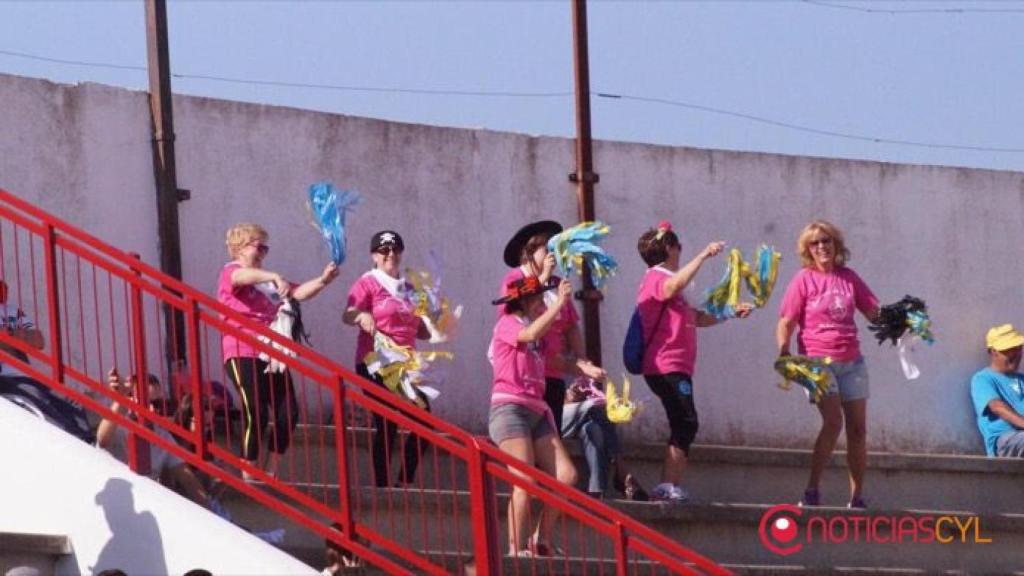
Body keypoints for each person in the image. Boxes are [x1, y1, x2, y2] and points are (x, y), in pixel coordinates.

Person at [634, 221, 751, 502]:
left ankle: (669, 485)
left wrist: (730, 312)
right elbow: (673, 285)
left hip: (678, 365)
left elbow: (696, 318)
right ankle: (666, 486)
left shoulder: (671, 286)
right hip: (665, 364)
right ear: (669, 249)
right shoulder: (655, 278)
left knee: (684, 422)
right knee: (686, 421)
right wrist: (703, 255)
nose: (681, 252)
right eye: (678, 247)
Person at [218, 223, 339, 481]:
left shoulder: (268, 282)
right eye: (257, 246)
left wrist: (323, 280)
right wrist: (273, 275)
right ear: (239, 247)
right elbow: (240, 278)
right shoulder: (232, 271)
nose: (262, 252)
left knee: (288, 412)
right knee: (257, 410)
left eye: (265, 248)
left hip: (271, 354)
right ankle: (248, 469)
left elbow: (299, 293)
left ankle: (271, 470)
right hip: (241, 350)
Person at [776, 220, 879, 509]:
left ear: (835, 244)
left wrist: (901, 322)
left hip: (852, 361)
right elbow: (787, 320)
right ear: (808, 249)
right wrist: (783, 350)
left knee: (858, 430)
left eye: (826, 241)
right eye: (815, 243)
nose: (822, 246)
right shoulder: (803, 279)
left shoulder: (848, 277)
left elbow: (873, 312)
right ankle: (811, 489)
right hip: (816, 361)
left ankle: (857, 496)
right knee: (833, 422)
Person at [490, 275, 578, 557]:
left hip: (536, 408)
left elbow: (552, 359)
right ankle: (515, 549)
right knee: (525, 481)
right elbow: (528, 336)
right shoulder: (508, 323)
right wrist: (559, 304)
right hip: (510, 408)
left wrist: (583, 368)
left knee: (566, 475)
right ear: (526, 302)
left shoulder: (537, 329)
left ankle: (541, 537)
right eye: (539, 300)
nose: (544, 304)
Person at [499, 221, 606, 434]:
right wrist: (543, 277)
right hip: (525, 375)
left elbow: (570, 326)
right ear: (529, 251)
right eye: (547, 250)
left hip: (554, 372)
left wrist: (582, 359)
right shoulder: (515, 278)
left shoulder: (557, 284)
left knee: (551, 433)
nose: (553, 256)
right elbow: (514, 306)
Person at [343, 230, 431, 487]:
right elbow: (347, 313)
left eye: (395, 249)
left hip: (406, 364)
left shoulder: (410, 288)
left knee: (424, 418)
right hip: (376, 361)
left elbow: (422, 331)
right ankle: (382, 484)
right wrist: (361, 316)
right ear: (374, 256)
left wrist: (436, 323)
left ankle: (404, 481)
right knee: (386, 420)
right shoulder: (367, 282)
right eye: (384, 250)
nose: (390, 254)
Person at [96, 369, 213, 509]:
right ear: (130, 399)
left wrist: (211, 510)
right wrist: (120, 400)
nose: (152, 408)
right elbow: (103, 439)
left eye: (156, 403)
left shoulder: (162, 434)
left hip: (147, 502)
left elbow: (187, 479)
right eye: (145, 403)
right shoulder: (119, 425)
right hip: (118, 501)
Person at [560, 379, 647, 500]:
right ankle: (622, 472)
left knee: (593, 428)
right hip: (553, 418)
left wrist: (580, 394)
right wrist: (565, 398)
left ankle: (596, 490)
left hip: (580, 417)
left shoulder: (582, 362)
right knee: (597, 406)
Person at [970, 324, 1024, 457]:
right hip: (1005, 441)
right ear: (994, 351)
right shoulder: (983, 379)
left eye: (1018, 348)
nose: (1016, 354)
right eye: (1009, 349)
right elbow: (997, 407)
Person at [0, 279, 44, 377]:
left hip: (21, 374)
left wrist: (8, 334)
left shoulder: (14, 311)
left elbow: (38, 340)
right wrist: (16, 338)